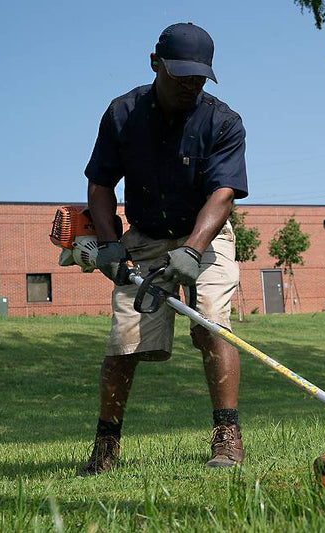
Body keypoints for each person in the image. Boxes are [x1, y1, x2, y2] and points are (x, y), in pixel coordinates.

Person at [79, 22, 248, 475]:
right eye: (181, 77)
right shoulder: (122, 114)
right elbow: (99, 185)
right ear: (155, 65)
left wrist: (193, 250)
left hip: (205, 237)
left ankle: (227, 438)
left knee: (212, 322)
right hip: (145, 238)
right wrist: (112, 246)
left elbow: (224, 193)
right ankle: (106, 447)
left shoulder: (222, 121)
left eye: (199, 78)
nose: (191, 86)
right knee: (124, 343)